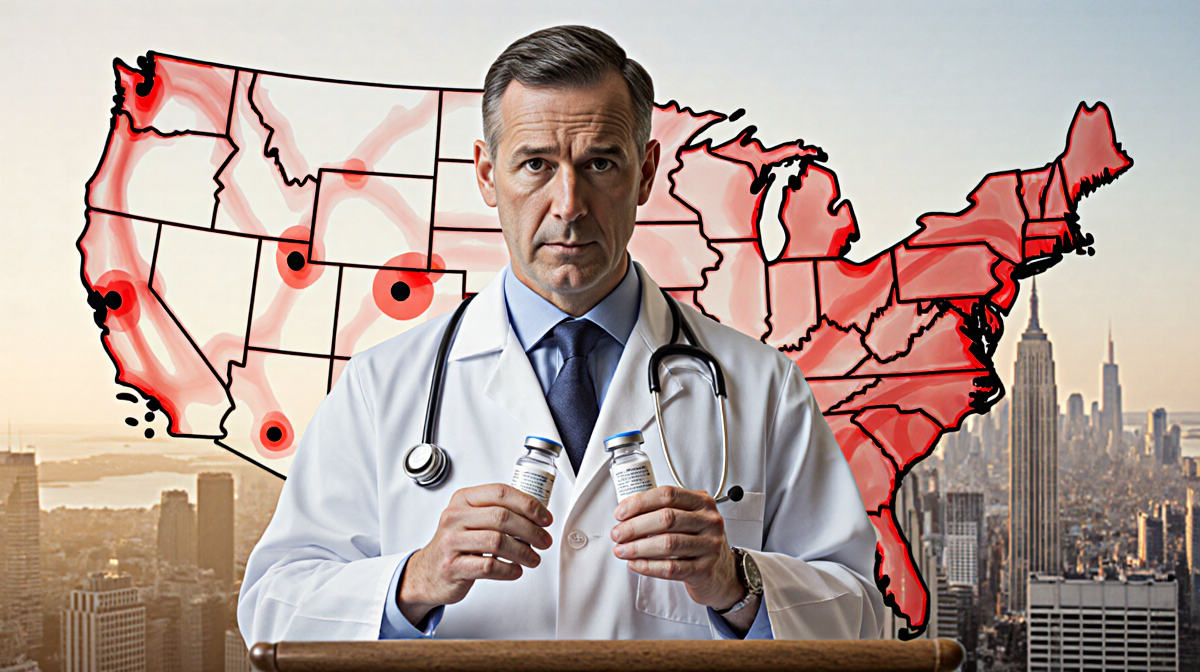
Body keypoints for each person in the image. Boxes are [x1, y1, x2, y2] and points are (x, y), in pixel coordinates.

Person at [238, 25, 885, 643]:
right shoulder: (384, 385)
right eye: (536, 165)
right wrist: (417, 579)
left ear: (647, 171)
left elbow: (861, 620)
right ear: (487, 175)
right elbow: (273, 609)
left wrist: (733, 582)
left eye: (600, 163)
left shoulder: (762, 386)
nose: (569, 203)